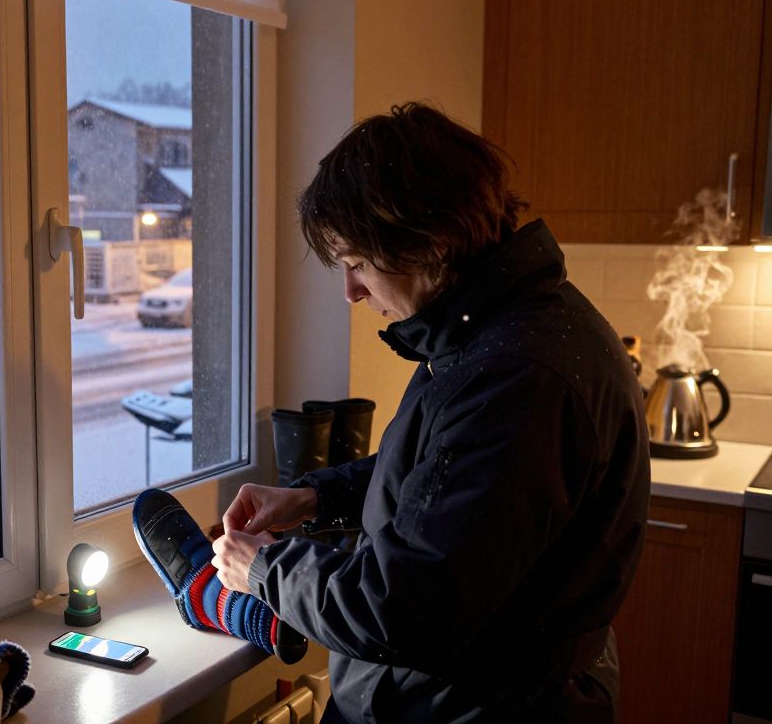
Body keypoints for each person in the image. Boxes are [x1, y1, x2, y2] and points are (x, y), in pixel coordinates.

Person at [209, 103, 650, 722]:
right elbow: (441, 478)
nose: (351, 292)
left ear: (430, 241)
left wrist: (262, 568)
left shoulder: (517, 378)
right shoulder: (497, 330)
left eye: (358, 263)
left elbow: (403, 609)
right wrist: (316, 499)